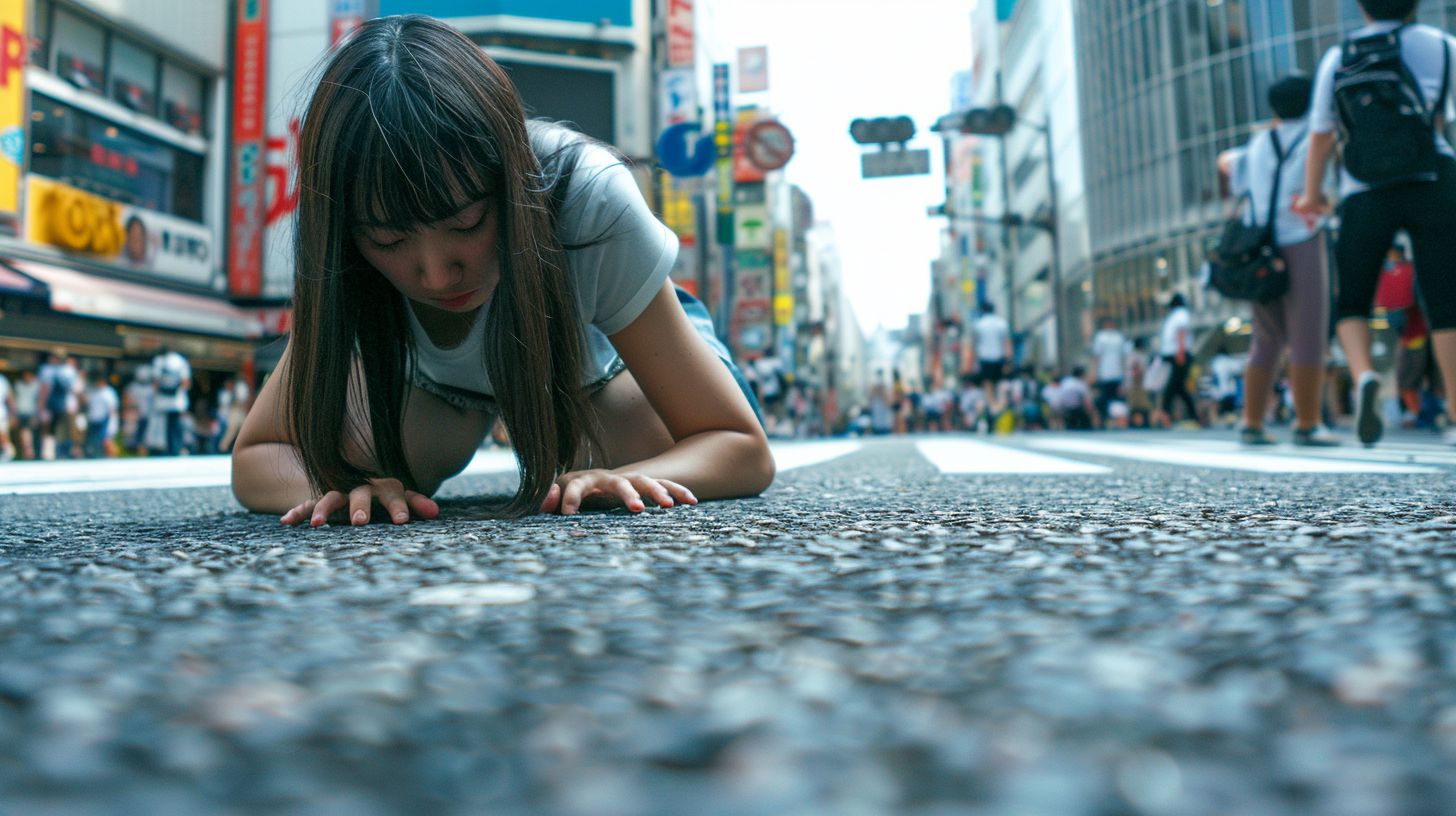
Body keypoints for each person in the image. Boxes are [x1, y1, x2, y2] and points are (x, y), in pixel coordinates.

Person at [231, 15, 773, 525]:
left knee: (624, 474)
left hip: (599, 375)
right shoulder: (341, 217)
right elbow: (258, 456)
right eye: (390, 240)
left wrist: (635, 477)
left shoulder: (586, 193)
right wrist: (337, 488)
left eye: (466, 224)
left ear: (512, 180)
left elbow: (738, 447)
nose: (438, 275)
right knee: (363, 466)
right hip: (432, 394)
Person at [1296, 0, 1456, 447]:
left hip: (1363, 187)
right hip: (1433, 177)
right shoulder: (1443, 46)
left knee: (1353, 299)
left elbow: (1322, 135)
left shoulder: (1339, 56)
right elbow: (1444, 118)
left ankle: (1364, 372)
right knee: (1446, 301)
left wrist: (1312, 195)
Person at [1219, 74, 1340, 446]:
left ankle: (1251, 421)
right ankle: (1307, 422)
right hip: (1301, 239)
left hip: (1261, 246)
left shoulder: (1259, 143)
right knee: (1307, 334)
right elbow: (1326, 197)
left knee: (1265, 338)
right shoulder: (1316, 139)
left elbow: (1225, 163)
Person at [1155, 293, 1203, 427]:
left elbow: (1180, 333)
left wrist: (1180, 352)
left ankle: (1164, 415)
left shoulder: (1179, 314)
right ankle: (1193, 416)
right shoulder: (1180, 314)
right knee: (1179, 387)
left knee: (1172, 387)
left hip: (1177, 354)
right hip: (1177, 353)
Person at [968, 302, 1012, 420]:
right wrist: (1008, 360)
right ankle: (1000, 405)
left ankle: (993, 406)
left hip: (985, 358)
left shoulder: (979, 325)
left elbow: (974, 346)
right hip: (1000, 357)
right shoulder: (1002, 323)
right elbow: (1007, 342)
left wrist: (971, 363)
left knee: (988, 383)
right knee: (1000, 383)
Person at [36, 352, 80, 460]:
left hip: (57, 406)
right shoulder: (68, 371)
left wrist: (41, 406)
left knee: (53, 430)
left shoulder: (49, 370)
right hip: (65, 406)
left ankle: (53, 453)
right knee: (61, 431)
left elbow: (44, 389)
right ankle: (60, 453)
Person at [150, 346, 192, 456]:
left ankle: (166, 450)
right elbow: (186, 383)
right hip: (177, 402)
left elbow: (156, 383)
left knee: (164, 429)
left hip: (162, 402)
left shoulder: (159, 361)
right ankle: (176, 449)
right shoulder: (181, 362)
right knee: (176, 427)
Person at [1089, 317, 1129, 428]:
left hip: (1111, 373)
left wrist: (1094, 373)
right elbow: (1097, 357)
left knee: (1112, 398)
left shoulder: (1113, 337)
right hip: (1109, 373)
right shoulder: (1108, 337)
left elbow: (1123, 357)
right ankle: (1110, 420)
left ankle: (1113, 420)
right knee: (1110, 398)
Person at [82, 373, 119, 458]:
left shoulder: (109, 393)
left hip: (104, 422)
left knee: (106, 442)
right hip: (94, 422)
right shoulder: (96, 392)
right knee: (95, 443)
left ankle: (114, 458)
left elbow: (112, 409)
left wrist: (111, 424)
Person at [13, 369, 38, 459]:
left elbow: (38, 401)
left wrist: (37, 414)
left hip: (31, 413)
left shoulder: (36, 385)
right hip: (21, 412)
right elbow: (15, 399)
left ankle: (29, 452)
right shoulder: (18, 385)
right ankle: (27, 452)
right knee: (23, 433)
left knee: (27, 432)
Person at [0, 370, 14, 461]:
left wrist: (13, 413)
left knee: (2, 433)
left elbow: (9, 397)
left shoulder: (2, 380)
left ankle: (8, 451)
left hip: (1, 412)